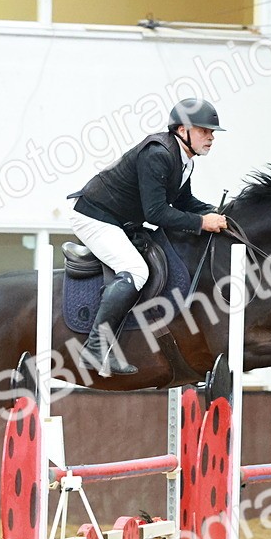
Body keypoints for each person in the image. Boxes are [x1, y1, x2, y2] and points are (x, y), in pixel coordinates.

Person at [67, 98, 228, 376]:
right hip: (94, 216)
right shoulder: (158, 154)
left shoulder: (184, 160)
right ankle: (95, 347)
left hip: (118, 220)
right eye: (204, 130)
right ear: (182, 130)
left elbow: (184, 202)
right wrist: (203, 222)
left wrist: (218, 212)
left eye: (212, 132)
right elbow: (156, 213)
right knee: (136, 270)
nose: (211, 137)